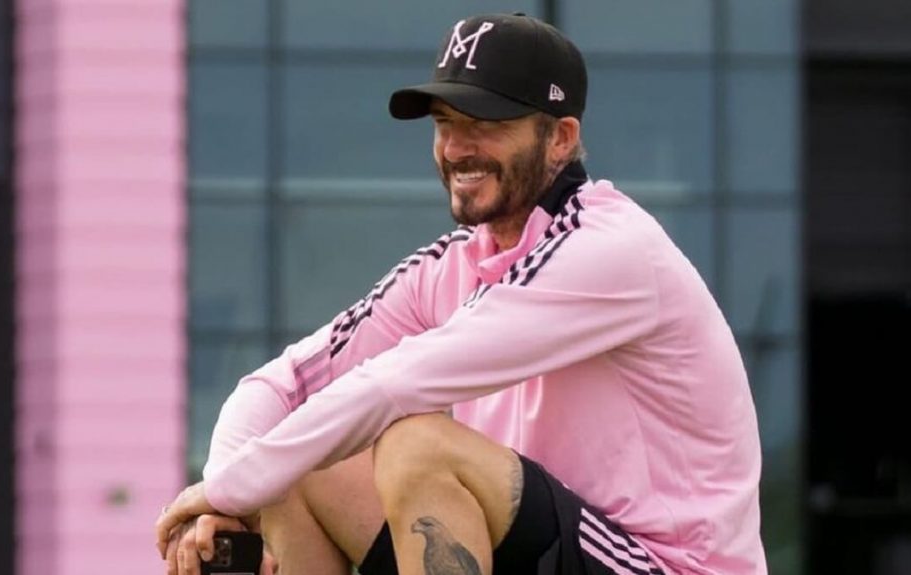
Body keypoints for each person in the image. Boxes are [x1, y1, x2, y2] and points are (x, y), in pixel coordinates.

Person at [156, 13, 767, 575]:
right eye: (446, 124)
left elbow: (394, 385)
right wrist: (224, 499)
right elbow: (283, 385)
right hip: (548, 552)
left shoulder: (609, 249)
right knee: (297, 463)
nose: (455, 148)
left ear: (560, 138)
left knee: (414, 444)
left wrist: (229, 489)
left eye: (486, 125)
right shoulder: (451, 265)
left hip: (666, 566)